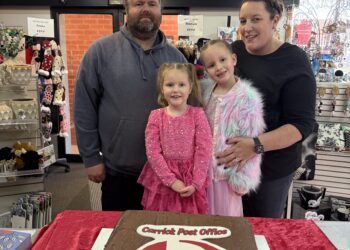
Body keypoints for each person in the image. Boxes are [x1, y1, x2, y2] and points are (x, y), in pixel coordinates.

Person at [73, 0, 187, 211]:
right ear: (126, 10)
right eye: (138, 3)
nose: (145, 9)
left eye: (152, 4)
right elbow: (83, 106)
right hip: (118, 174)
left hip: (167, 177)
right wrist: (90, 157)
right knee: (120, 238)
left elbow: (188, 114)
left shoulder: (177, 59)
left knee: (162, 239)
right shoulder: (100, 52)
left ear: (161, 10)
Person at [216, 0, 316, 218]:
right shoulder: (235, 52)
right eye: (243, 21)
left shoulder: (294, 60)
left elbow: (301, 124)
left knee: (260, 230)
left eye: (256, 19)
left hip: (270, 171)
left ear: (275, 20)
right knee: (227, 228)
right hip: (228, 166)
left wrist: (255, 146)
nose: (247, 27)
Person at [199, 39, 265, 217]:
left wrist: (244, 178)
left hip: (227, 176)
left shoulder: (247, 98)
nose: (219, 67)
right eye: (211, 65)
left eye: (222, 60)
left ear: (233, 59)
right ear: (206, 70)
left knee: (226, 223)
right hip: (202, 173)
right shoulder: (204, 93)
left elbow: (252, 141)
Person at [137, 63, 212, 214]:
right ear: (162, 88)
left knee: (189, 223)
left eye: (181, 85)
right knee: (162, 222)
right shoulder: (156, 116)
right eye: (170, 85)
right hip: (162, 180)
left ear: (190, 88)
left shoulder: (198, 115)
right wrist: (170, 181)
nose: (176, 90)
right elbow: (153, 152)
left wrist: (196, 182)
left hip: (190, 179)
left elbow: (204, 149)